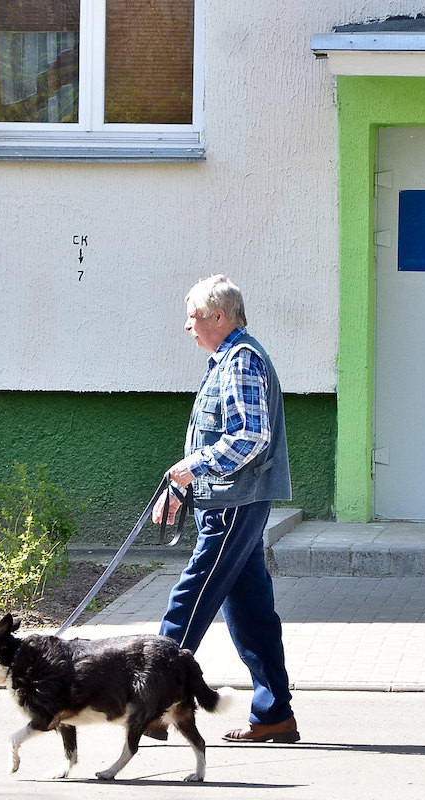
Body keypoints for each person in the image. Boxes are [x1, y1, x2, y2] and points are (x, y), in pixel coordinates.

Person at [150, 274, 299, 744]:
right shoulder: (226, 360)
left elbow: (251, 438)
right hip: (231, 501)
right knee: (251, 610)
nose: (186, 326)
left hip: (234, 503)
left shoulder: (240, 361)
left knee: (190, 598)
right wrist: (181, 486)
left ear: (218, 316)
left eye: (192, 316)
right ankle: (274, 714)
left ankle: (151, 700)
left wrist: (191, 468)